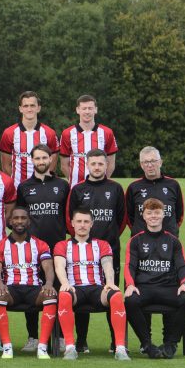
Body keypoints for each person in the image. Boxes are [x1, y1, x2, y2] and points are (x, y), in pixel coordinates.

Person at [66, 148, 127, 352]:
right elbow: (70, 220)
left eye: (101, 163)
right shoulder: (78, 189)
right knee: (81, 289)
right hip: (82, 250)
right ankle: (81, 341)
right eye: (94, 163)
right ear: (87, 165)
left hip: (109, 250)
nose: (98, 167)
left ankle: (115, 341)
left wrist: (107, 242)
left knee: (112, 292)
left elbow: (121, 220)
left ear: (107, 165)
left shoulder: (116, 188)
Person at [53, 207, 130, 361]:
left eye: (86, 221)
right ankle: (70, 348)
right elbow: (59, 266)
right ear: (72, 223)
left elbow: (108, 265)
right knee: (64, 296)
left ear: (91, 224)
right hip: (75, 289)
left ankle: (120, 348)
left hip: (97, 289)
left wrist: (110, 283)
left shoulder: (101, 244)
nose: (82, 225)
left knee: (116, 295)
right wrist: (65, 283)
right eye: (79, 221)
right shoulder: (62, 245)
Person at [14, 143, 69, 351]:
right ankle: (33, 337)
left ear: (51, 159)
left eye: (44, 158)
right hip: (33, 249)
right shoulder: (24, 187)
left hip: (57, 247)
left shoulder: (63, 185)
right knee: (33, 289)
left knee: (59, 290)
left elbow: (68, 216)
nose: (41, 162)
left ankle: (61, 336)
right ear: (32, 160)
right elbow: (20, 217)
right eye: (37, 158)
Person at [124, 198, 185, 359]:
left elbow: (183, 265)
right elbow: (130, 265)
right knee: (130, 301)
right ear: (143, 215)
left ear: (164, 215)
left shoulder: (173, 240)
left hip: (168, 287)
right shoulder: (135, 241)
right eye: (149, 213)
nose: (153, 216)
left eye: (157, 213)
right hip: (144, 288)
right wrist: (129, 284)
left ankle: (171, 343)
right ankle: (147, 344)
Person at [0, 206, 58, 359]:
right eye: (16, 218)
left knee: (50, 296)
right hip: (11, 289)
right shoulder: (0, 245)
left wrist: (49, 284)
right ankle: (7, 347)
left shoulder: (40, 244)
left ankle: (42, 347)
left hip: (34, 289)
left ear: (29, 222)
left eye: (23, 218)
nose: (19, 221)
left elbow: (48, 267)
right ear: (10, 221)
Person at [0, 91, 58, 187]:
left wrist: (45, 183)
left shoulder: (49, 133)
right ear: (20, 109)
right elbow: (6, 166)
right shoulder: (9, 133)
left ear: (38, 108)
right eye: (25, 106)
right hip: (17, 188)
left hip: (42, 187)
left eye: (32, 106)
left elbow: (52, 164)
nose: (29, 109)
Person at [59, 94, 118, 186]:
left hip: (100, 187)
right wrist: (74, 181)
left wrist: (103, 180)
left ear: (95, 110)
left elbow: (111, 163)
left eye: (90, 108)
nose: (87, 111)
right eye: (84, 108)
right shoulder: (67, 133)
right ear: (78, 110)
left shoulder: (107, 132)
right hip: (76, 187)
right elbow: (64, 165)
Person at [126, 146, 185, 237]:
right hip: (141, 241)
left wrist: (171, 230)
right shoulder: (133, 187)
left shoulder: (173, 185)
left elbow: (179, 215)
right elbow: (128, 217)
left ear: (160, 162)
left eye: (153, 161)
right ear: (141, 165)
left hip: (168, 241)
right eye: (146, 162)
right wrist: (139, 230)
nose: (150, 165)